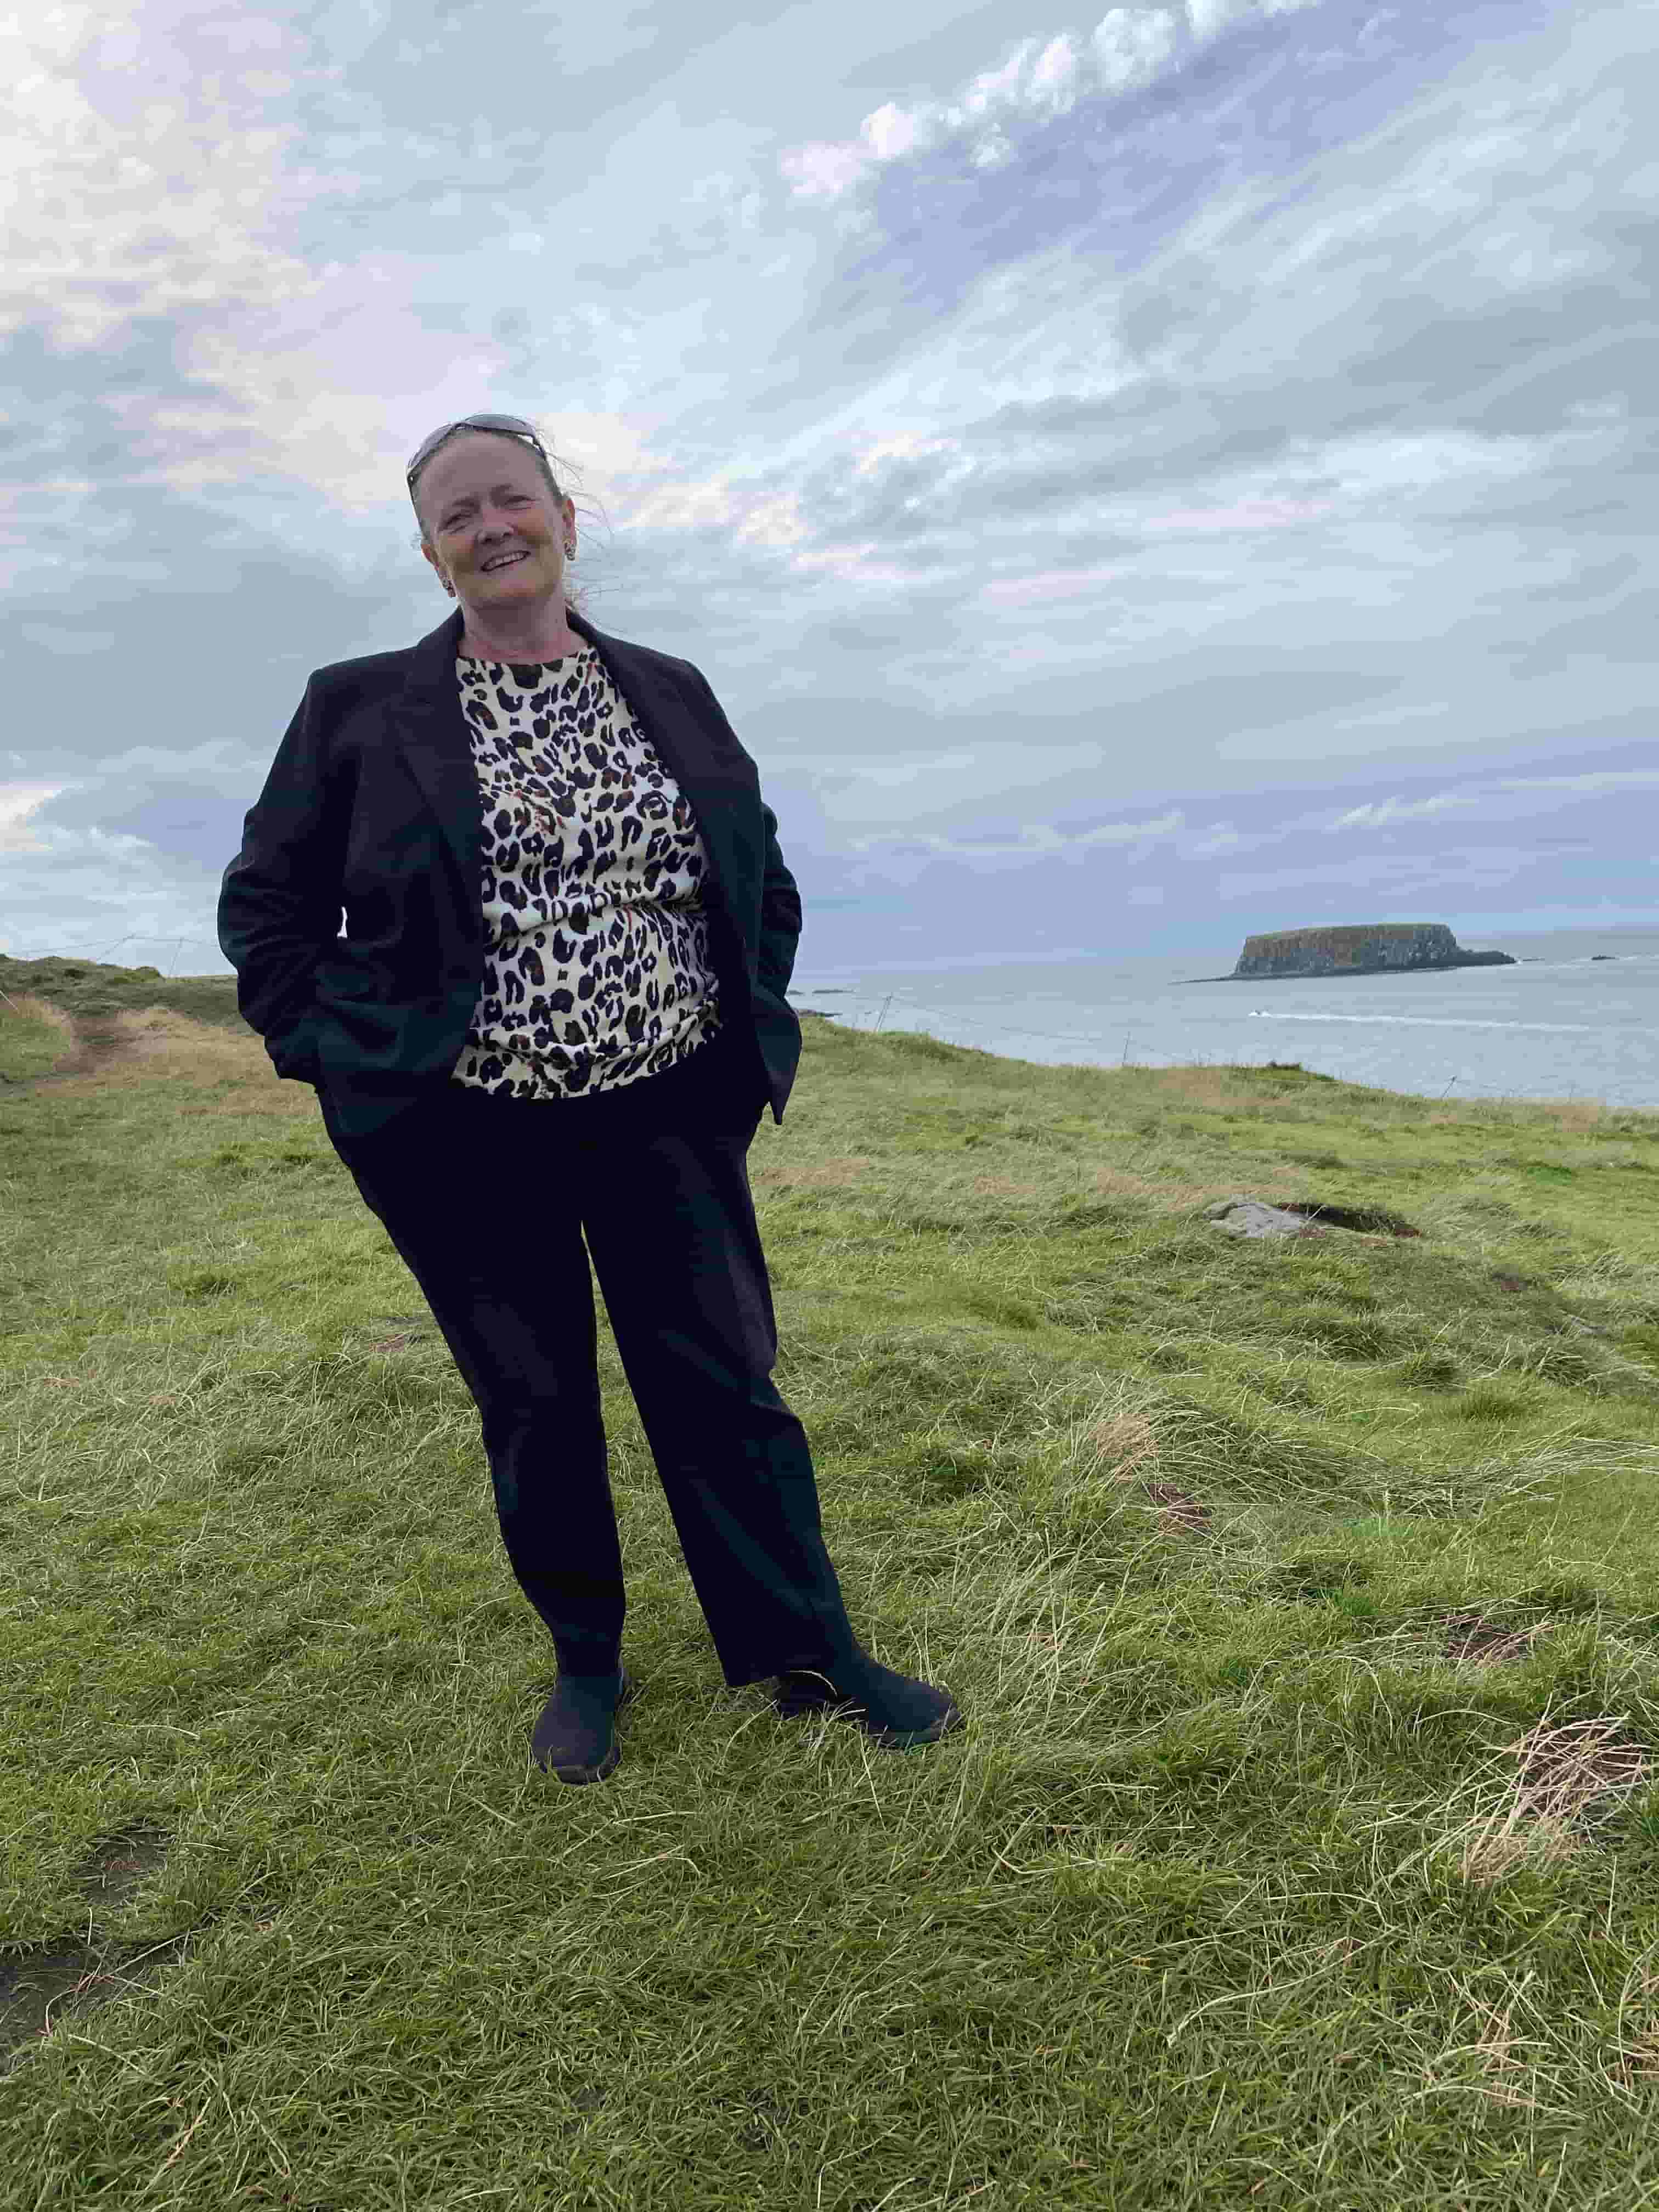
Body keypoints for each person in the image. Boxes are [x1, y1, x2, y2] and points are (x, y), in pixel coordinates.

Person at [217, 413, 963, 1785]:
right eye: (458, 515)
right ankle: (587, 1663)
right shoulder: (357, 704)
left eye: (512, 499)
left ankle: (808, 1655)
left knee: (726, 1385)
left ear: (567, 515)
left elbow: (756, 868)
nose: (490, 527)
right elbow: (266, 905)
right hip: (459, 1125)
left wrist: (737, 1031)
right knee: (532, 1395)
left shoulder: (667, 684)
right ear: (432, 552)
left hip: (667, 1107)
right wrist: (334, 1049)